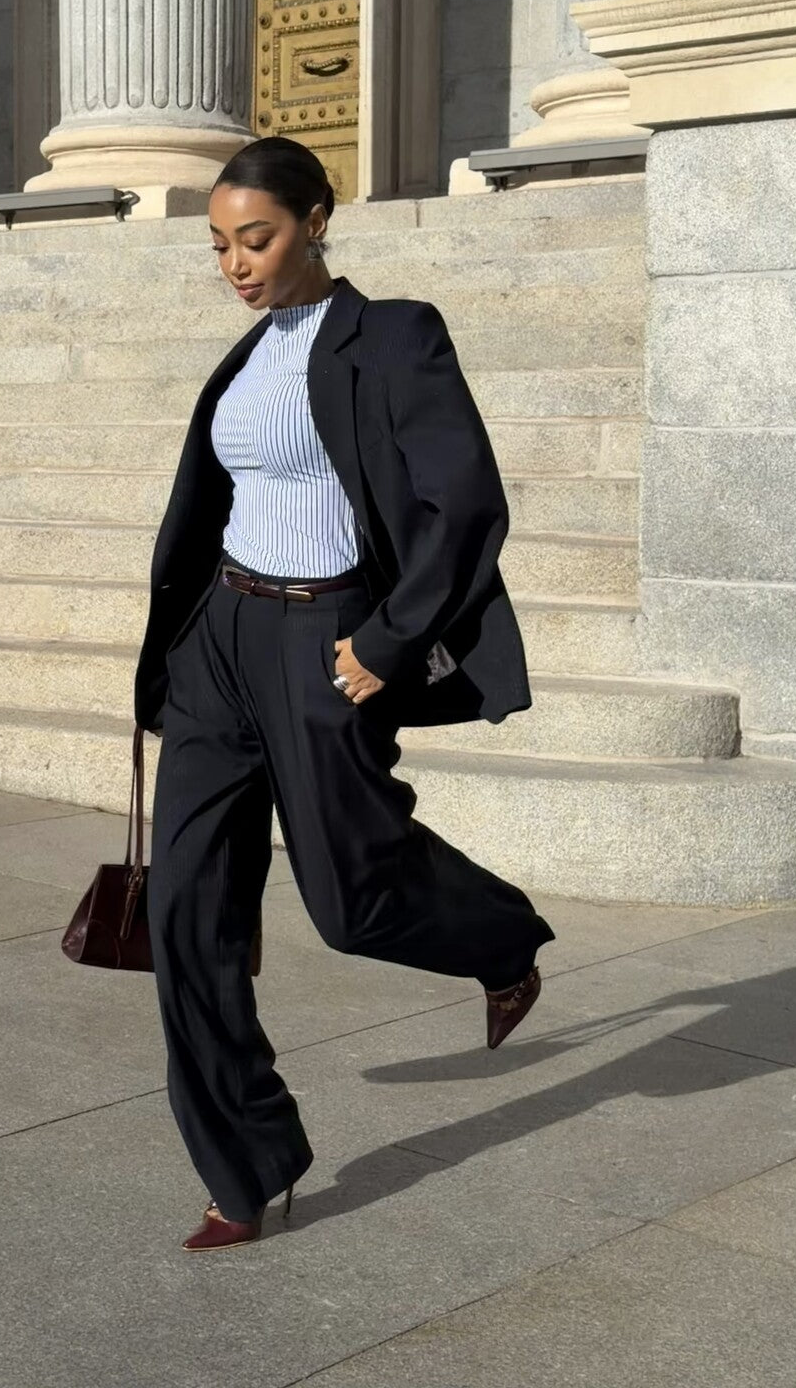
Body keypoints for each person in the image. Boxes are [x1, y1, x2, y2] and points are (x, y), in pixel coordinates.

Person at [133, 136, 555, 1252]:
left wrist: (387, 634)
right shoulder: (249, 352)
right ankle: (246, 1161)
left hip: (327, 639)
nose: (235, 262)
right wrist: (182, 647)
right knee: (182, 908)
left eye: (256, 238)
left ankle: (501, 941)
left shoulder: (393, 334)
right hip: (219, 642)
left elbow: (461, 501)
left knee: (349, 902)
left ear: (317, 218)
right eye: (218, 244)